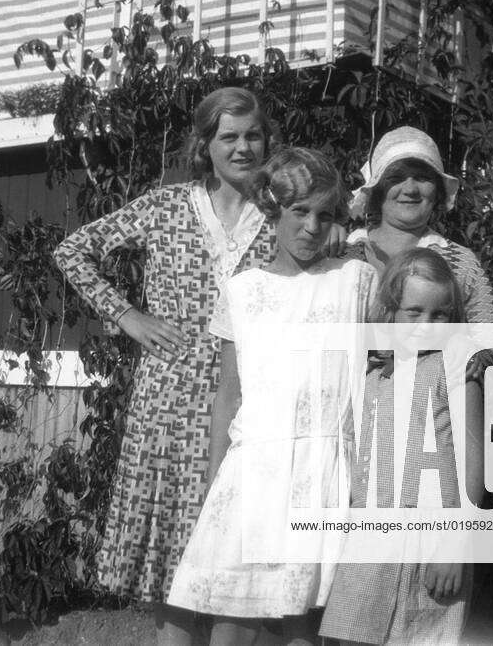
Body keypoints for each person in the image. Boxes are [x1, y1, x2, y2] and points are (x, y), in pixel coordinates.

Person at [53, 87, 279, 644]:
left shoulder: (281, 212)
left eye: (253, 135)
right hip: (170, 401)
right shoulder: (166, 205)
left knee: (236, 562)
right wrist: (127, 315)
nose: (243, 147)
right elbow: (72, 251)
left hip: (253, 398)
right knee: (174, 570)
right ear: (206, 145)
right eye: (229, 136)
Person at [166, 147, 378, 645]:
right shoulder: (242, 291)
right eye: (299, 211)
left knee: (302, 616)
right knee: (233, 616)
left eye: (325, 215)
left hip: (324, 468)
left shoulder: (354, 281)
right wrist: (215, 481)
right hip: (254, 470)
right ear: (273, 210)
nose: (311, 226)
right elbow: (228, 396)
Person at [319, 247, 485, 645]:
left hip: (433, 538)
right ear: (390, 311)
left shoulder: (458, 364)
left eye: (440, 314)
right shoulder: (374, 372)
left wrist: (454, 546)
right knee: (349, 635)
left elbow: (475, 459)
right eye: (414, 312)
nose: (427, 325)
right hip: (367, 536)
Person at [343, 126, 493, 323]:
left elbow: (491, 344)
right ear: (378, 188)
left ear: (437, 191)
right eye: (396, 178)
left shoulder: (462, 265)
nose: (410, 189)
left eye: (422, 178)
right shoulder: (340, 252)